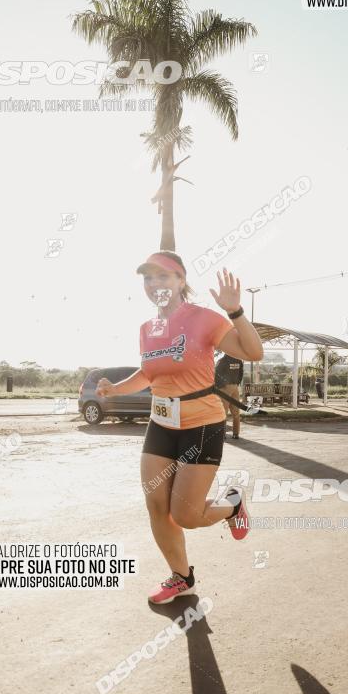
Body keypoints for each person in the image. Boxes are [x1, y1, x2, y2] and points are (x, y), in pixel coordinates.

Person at [96, 251, 264, 605]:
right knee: (157, 507)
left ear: (181, 281)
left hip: (202, 423)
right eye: (148, 278)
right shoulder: (147, 329)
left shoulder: (203, 318)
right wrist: (116, 388)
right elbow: (148, 373)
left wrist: (235, 311)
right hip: (161, 424)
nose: (154, 284)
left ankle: (232, 506)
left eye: (163, 276)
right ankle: (181, 576)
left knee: (185, 514)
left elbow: (253, 352)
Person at [215, 352, 244, 439]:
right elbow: (241, 374)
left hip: (225, 388)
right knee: (236, 411)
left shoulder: (222, 361)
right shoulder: (239, 360)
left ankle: (222, 434)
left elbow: (216, 374)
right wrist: (237, 383)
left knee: (223, 412)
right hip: (235, 387)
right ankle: (236, 434)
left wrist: (219, 386)